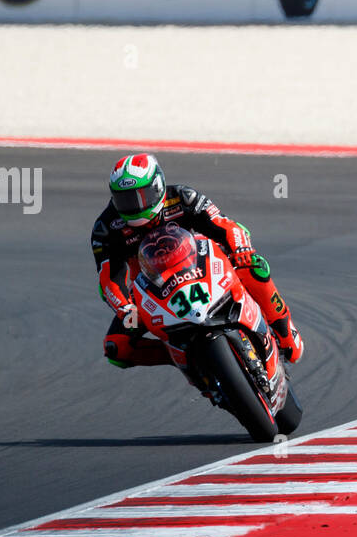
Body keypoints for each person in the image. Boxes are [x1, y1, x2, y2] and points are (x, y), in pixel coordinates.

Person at [91, 153, 304, 381]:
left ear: (157, 186)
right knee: (117, 348)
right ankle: (185, 357)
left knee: (253, 266)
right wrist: (125, 309)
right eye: (125, 199)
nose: (134, 206)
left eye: (140, 197)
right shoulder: (106, 229)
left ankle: (284, 330)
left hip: (203, 268)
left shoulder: (184, 197)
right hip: (152, 291)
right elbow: (109, 281)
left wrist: (242, 249)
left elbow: (227, 226)